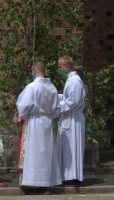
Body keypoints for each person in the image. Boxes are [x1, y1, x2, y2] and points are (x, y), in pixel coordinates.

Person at [16, 61, 62, 190]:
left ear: (34, 71)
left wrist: (22, 115)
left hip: (35, 121)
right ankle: (46, 183)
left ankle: (33, 183)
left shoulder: (32, 87)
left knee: (34, 152)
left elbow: (24, 105)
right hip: (47, 121)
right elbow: (56, 108)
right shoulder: (52, 88)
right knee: (46, 153)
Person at [54, 56, 85, 186]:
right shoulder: (70, 80)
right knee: (67, 147)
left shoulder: (75, 81)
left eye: (60, 67)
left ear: (67, 67)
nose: (59, 69)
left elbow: (74, 101)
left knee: (72, 146)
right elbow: (68, 97)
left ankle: (73, 176)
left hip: (73, 119)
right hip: (69, 117)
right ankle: (66, 175)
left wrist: (57, 105)